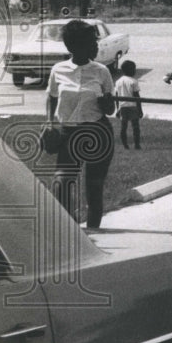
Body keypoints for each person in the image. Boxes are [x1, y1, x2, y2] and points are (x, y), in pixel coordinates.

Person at [44, 19, 116, 230]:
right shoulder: (58, 69)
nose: (96, 46)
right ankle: (68, 229)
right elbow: (51, 96)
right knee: (62, 183)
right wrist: (49, 123)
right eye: (91, 42)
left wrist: (107, 102)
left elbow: (110, 110)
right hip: (68, 133)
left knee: (94, 186)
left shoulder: (102, 71)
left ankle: (93, 233)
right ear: (74, 46)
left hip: (97, 132)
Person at [114, 59, 143, 150]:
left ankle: (125, 145)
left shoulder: (118, 81)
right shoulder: (133, 81)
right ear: (130, 70)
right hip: (132, 106)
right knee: (135, 127)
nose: (135, 71)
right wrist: (140, 109)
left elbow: (117, 96)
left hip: (123, 107)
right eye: (134, 69)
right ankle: (137, 145)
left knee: (123, 127)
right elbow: (137, 96)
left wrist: (117, 108)